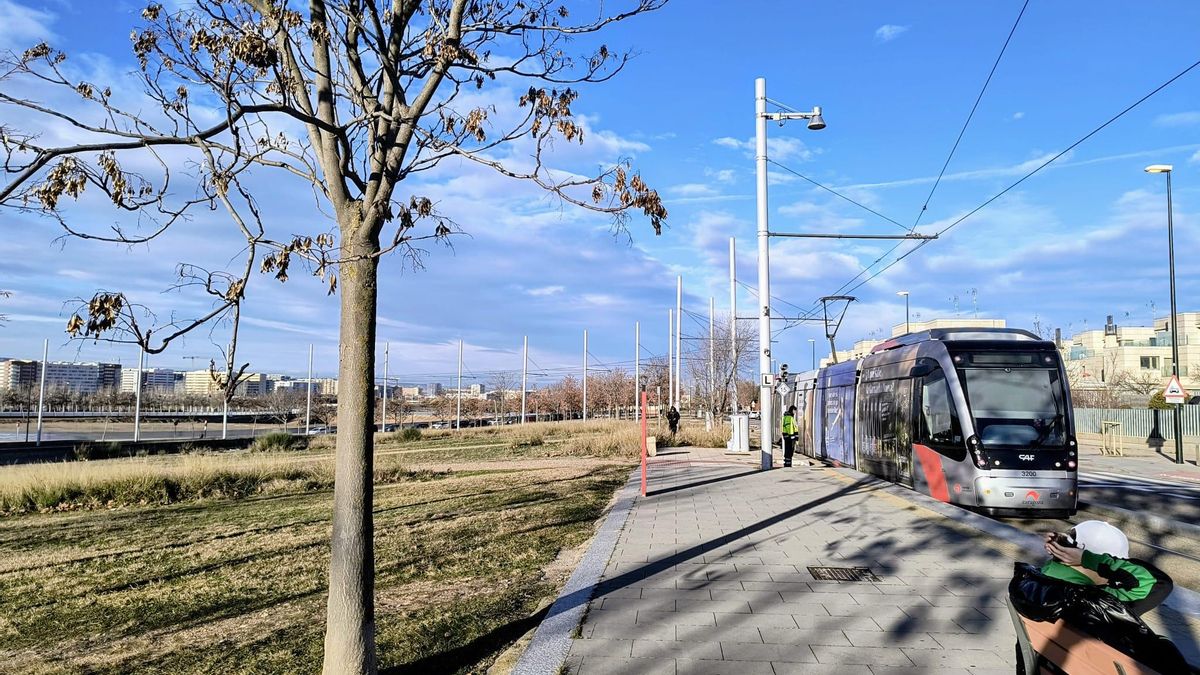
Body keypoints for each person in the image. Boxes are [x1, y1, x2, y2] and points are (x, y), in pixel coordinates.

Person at [1041, 520, 1172, 617]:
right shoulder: (1101, 599)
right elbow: (1161, 583)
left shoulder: (1043, 575)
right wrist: (1090, 559)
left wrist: (1060, 546)